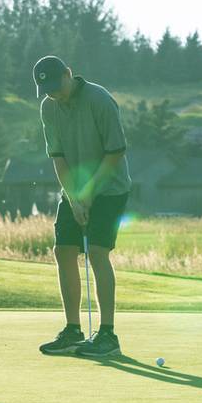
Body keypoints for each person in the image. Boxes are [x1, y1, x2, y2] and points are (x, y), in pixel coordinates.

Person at [33, 56, 132, 360]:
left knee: (97, 253)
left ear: (69, 74)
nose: (54, 94)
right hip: (73, 189)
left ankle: (107, 334)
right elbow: (58, 157)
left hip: (111, 187)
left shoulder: (99, 101)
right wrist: (74, 197)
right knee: (63, 250)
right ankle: (73, 330)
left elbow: (115, 152)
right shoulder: (48, 107)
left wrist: (89, 193)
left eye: (57, 86)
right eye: (46, 89)